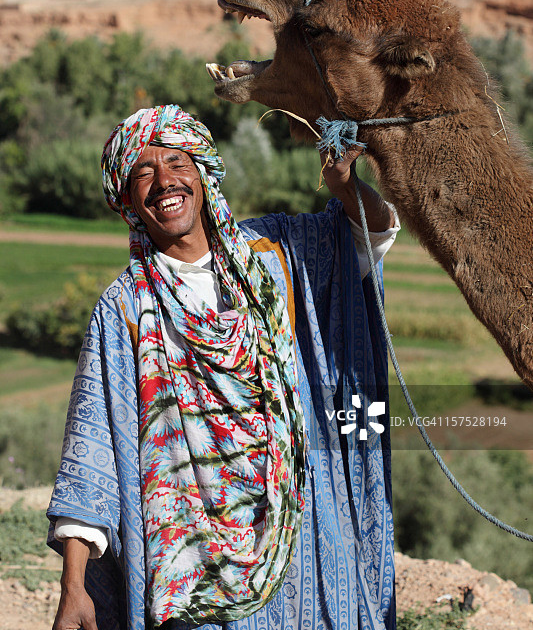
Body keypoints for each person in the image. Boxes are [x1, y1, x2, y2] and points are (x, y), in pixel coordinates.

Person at [48, 104, 400, 630]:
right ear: (126, 201)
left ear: (204, 172)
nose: (164, 180)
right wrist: (73, 586)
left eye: (176, 162)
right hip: (190, 564)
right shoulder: (123, 310)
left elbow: (370, 233)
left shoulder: (278, 253)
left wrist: (346, 184)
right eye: (143, 172)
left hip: (300, 535)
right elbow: (90, 450)